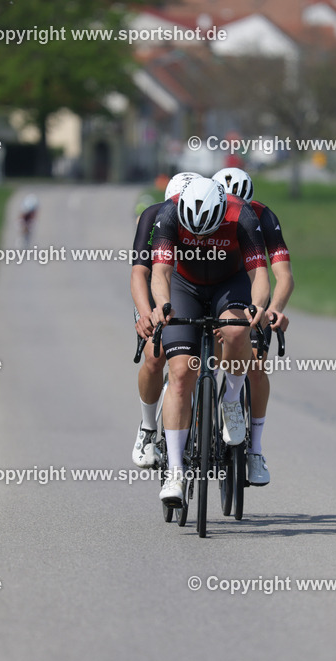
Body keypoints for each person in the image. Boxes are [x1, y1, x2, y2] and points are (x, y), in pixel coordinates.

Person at [150, 177, 270, 506]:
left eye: (207, 232)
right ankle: (175, 472)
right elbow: (160, 272)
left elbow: (259, 274)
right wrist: (162, 305)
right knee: (180, 374)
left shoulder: (242, 215)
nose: (201, 239)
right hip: (185, 285)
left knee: (236, 331)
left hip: (228, 283)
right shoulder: (169, 213)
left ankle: (231, 400)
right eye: (195, 233)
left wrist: (258, 306)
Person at [212, 167, 293, 487]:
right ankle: (200, 423)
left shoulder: (263, 216)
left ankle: (255, 450)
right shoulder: (207, 217)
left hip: (251, 295)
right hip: (214, 292)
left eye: (242, 207)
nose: (237, 214)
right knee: (202, 362)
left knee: (256, 368)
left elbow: (284, 276)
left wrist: (274, 310)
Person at [129, 172, 201, 467]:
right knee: (155, 354)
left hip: (190, 291)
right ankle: (147, 428)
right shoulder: (154, 216)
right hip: (155, 290)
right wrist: (146, 313)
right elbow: (140, 273)